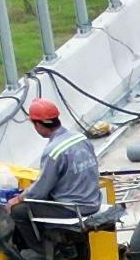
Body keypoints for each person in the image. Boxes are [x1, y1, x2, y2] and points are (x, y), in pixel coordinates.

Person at [17, 90, 103, 218]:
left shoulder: (53, 151)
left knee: (19, 211)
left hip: (73, 209)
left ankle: (40, 239)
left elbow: (40, 192)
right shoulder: (81, 138)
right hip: (94, 202)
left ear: (38, 125)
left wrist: (19, 198)